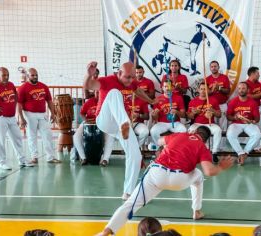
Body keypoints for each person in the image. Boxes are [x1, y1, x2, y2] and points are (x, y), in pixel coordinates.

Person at [95, 126, 234, 236]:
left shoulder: (180, 135)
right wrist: (221, 166)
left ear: (194, 131)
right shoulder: (203, 147)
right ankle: (196, 211)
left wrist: (168, 145)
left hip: (157, 174)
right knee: (197, 175)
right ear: (205, 139)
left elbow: (160, 141)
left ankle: (106, 232)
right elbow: (209, 171)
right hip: (179, 179)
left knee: (130, 204)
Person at [84, 61, 155, 200]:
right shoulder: (107, 81)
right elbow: (89, 85)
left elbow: (138, 91)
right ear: (119, 73)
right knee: (115, 93)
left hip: (122, 128)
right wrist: (88, 75)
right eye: (127, 77)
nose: (130, 80)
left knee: (135, 155)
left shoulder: (132, 82)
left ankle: (128, 192)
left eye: (133, 77)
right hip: (106, 121)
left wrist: (150, 101)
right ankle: (124, 123)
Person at [17, 68, 61, 164]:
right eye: (32, 75)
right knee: (32, 136)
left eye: (36, 74)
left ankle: (51, 157)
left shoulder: (44, 86)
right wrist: (21, 118)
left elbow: (49, 101)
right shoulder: (23, 88)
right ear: (28, 76)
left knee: (47, 135)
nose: (35, 76)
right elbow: (19, 104)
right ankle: (34, 157)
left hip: (42, 114)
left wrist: (53, 113)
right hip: (29, 114)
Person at [226, 82, 261, 165]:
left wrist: (253, 121)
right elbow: (228, 116)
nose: (241, 90)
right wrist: (234, 117)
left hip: (248, 124)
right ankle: (240, 153)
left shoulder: (252, 102)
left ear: (248, 90)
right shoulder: (233, 101)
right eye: (239, 88)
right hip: (236, 124)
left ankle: (245, 152)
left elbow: (257, 118)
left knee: (257, 134)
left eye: (243, 88)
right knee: (230, 134)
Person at [187, 82, 222, 163]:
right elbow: (189, 117)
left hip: (210, 124)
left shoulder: (213, 100)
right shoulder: (193, 101)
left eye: (205, 89)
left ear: (208, 90)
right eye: (201, 89)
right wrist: (194, 113)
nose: (203, 91)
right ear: (198, 90)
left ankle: (214, 152)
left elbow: (219, 115)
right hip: (197, 124)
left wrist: (212, 110)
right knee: (190, 131)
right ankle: (192, 152)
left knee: (218, 130)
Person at [205, 61, 230, 131]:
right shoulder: (207, 79)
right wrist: (213, 89)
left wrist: (219, 88)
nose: (213, 68)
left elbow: (228, 91)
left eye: (215, 66)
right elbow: (206, 93)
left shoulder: (224, 77)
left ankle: (222, 142)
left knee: (223, 126)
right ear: (210, 68)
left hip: (222, 105)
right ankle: (214, 142)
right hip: (211, 106)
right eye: (212, 67)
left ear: (218, 67)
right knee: (213, 125)